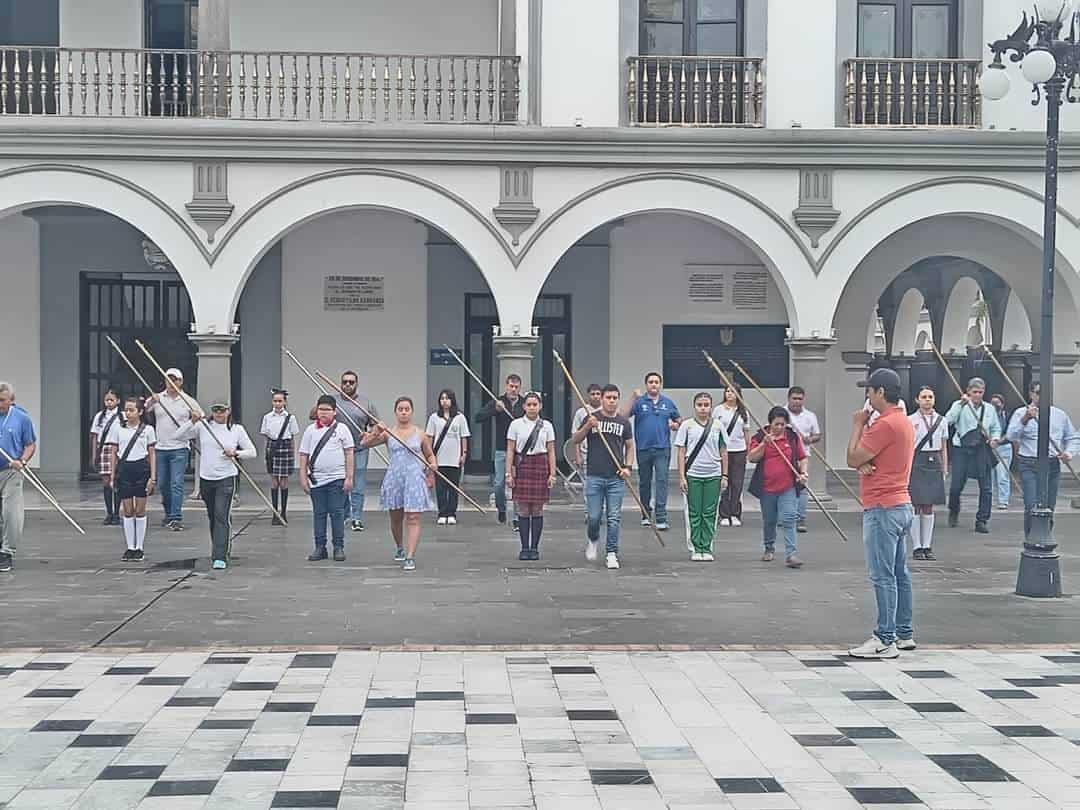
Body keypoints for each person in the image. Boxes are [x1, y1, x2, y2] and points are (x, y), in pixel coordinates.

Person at [847, 367, 916, 659]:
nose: (867, 395)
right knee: (899, 572)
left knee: (882, 574)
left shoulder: (884, 424)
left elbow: (851, 457)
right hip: (901, 503)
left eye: (870, 390)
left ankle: (884, 637)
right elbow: (869, 460)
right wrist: (865, 463)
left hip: (882, 506)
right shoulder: (904, 421)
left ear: (881, 393)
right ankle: (904, 632)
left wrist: (858, 425)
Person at [179, 402, 257, 570]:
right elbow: (179, 436)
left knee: (221, 516)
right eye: (216, 410)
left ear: (228, 412)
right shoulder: (203, 426)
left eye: (222, 410)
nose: (219, 413)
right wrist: (191, 421)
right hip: (206, 479)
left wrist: (236, 453)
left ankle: (219, 555)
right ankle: (219, 546)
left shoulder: (236, 429)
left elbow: (252, 451)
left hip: (226, 478)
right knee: (213, 516)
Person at [365, 396, 437, 571]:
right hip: (395, 478)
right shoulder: (388, 433)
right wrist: (375, 430)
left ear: (411, 412)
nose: (404, 412)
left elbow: (429, 455)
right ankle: (400, 547)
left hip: (414, 478)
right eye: (400, 409)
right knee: (396, 518)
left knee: (413, 517)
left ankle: (410, 556)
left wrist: (433, 465)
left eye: (407, 409)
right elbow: (364, 444)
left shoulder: (420, 434)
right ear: (395, 412)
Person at [1006, 380, 1079, 539]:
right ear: (1031, 394)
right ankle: (1031, 538)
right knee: (1031, 505)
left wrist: (1069, 453)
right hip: (1029, 464)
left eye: (1045, 393)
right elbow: (1011, 436)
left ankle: (1045, 536)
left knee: (1049, 506)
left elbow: (1073, 437)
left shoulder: (1059, 415)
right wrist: (1025, 419)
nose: (1042, 397)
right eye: (1038, 393)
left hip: (1052, 464)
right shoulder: (1020, 413)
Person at [573, 384, 634, 570]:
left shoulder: (624, 422)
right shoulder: (592, 418)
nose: (612, 401)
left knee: (614, 517)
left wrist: (628, 467)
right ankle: (593, 539)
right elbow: (575, 439)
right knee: (594, 517)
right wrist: (587, 428)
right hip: (594, 476)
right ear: (602, 399)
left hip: (616, 477)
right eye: (608, 398)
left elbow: (630, 446)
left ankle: (611, 552)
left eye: (615, 398)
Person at [747, 406, 808, 568]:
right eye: (776, 424)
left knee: (789, 518)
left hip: (787, 486)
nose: (780, 428)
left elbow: (802, 457)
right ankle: (769, 547)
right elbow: (751, 458)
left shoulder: (792, 436)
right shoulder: (761, 436)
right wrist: (763, 444)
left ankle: (791, 554)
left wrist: (803, 473)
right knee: (770, 520)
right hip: (767, 487)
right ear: (770, 423)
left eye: (782, 424)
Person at [299, 395, 355, 563]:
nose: (323, 413)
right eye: (320, 409)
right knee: (319, 514)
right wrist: (302, 477)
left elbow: (349, 453)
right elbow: (303, 455)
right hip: (317, 479)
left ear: (335, 412)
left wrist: (349, 477)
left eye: (327, 410)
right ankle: (320, 547)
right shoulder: (310, 430)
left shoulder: (342, 429)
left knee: (337, 513)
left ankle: (338, 547)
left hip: (337, 478)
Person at [623, 372, 681, 530]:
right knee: (644, 483)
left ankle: (661, 517)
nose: (653, 384)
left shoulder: (667, 402)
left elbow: (679, 420)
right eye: (650, 382)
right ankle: (646, 514)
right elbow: (623, 416)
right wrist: (632, 398)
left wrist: (676, 425)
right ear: (646, 384)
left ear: (660, 384)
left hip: (662, 448)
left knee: (662, 481)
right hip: (643, 448)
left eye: (656, 382)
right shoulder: (639, 402)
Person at [944, 377, 1002, 534]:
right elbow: (947, 421)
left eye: (980, 392)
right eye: (974, 392)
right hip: (962, 449)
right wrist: (961, 404)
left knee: (986, 487)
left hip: (982, 448)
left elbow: (996, 427)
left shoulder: (989, 408)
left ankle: (982, 520)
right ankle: (954, 510)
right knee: (956, 485)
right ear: (968, 391)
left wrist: (995, 439)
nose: (977, 395)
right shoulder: (959, 405)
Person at [676, 392, 728, 562]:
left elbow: (723, 451)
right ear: (694, 406)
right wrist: (682, 476)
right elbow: (681, 451)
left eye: (706, 405)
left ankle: (707, 546)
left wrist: (724, 475)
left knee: (709, 513)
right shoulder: (687, 425)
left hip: (713, 474)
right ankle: (695, 547)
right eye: (700, 405)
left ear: (711, 406)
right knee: (693, 512)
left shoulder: (718, 426)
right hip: (693, 474)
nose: (703, 408)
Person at [506, 392, 558, 561]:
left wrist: (552, 473)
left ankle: (534, 547)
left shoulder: (547, 426)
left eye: (535, 404)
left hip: (540, 464)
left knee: (537, 508)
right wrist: (509, 472)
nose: (532, 407)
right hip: (523, 464)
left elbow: (551, 451)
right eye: (529, 404)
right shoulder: (515, 425)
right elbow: (510, 450)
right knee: (523, 508)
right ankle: (524, 547)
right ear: (524, 406)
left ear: (540, 406)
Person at [104, 397, 157, 562]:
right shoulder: (118, 430)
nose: (128, 413)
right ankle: (130, 547)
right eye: (126, 410)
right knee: (127, 510)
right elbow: (113, 453)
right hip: (124, 470)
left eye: (132, 410)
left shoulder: (148, 430)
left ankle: (139, 547)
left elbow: (152, 454)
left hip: (141, 469)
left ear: (140, 412)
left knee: (140, 510)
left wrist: (153, 478)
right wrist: (112, 476)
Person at [146, 368, 197, 532]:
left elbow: (200, 416)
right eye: (168, 379)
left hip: (179, 448)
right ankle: (168, 514)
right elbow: (143, 410)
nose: (171, 382)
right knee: (163, 484)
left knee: (176, 483)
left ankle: (176, 517)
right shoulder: (158, 398)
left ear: (180, 382)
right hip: (161, 447)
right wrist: (151, 402)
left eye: (174, 380)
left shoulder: (187, 400)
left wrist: (192, 421)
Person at [475, 374, 525, 527]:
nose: (513, 389)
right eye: (511, 386)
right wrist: (495, 410)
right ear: (506, 386)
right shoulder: (498, 401)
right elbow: (478, 417)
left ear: (520, 388)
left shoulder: (524, 403)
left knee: (517, 484)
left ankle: (517, 517)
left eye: (516, 387)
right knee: (499, 484)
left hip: (520, 450)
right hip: (501, 449)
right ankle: (501, 509)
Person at [333, 371, 378, 533]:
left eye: (351, 382)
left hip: (359, 449)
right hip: (338, 450)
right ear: (340, 383)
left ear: (356, 384)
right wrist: (322, 407)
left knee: (357, 485)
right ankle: (345, 514)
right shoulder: (334, 401)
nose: (347, 385)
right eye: (345, 382)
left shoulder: (365, 403)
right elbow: (316, 416)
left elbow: (376, 425)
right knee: (342, 484)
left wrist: (370, 435)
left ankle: (356, 518)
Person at [907, 386, 948, 561]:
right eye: (923, 397)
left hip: (933, 459)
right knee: (916, 504)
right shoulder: (910, 420)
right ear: (917, 400)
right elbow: (908, 446)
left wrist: (944, 467)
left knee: (929, 505)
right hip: (917, 460)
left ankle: (927, 545)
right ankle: (917, 546)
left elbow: (944, 447)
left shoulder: (942, 420)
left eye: (930, 396)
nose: (927, 400)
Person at [0, 381, 37, 573]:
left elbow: (30, 444)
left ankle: (7, 551)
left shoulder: (21, 418)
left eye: (2, 400)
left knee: (10, 512)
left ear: (11, 400)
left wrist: (22, 461)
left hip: (11, 471)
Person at [425, 389, 471, 525]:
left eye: (447, 398)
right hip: (439, 458)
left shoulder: (460, 417)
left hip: (454, 459)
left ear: (452, 400)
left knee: (453, 487)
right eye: (442, 398)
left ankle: (451, 512)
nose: (444, 400)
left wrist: (464, 454)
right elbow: (429, 437)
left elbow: (464, 437)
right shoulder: (434, 417)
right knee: (440, 488)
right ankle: (442, 512)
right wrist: (429, 456)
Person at [260, 388, 300, 526]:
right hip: (272, 448)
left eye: (280, 401)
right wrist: (266, 453)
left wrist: (293, 454)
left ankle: (283, 512)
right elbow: (265, 436)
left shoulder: (290, 418)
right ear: (272, 402)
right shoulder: (267, 417)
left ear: (285, 402)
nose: (277, 404)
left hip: (285, 447)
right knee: (274, 481)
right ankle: (274, 513)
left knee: (283, 481)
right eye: (275, 401)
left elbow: (293, 437)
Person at [713, 382, 750, 527]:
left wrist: (749, 451)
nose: (729, 394)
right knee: (724, 482)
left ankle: (735, 513)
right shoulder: (718, 410)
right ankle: (724, 514)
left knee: (737, 483)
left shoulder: (743, 412)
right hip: (723, 451)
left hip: (739, 451)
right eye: (727, 391)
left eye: (733, 391)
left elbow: (747, 433)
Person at [785, 386, 821, 534]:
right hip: (784, 454)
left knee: (802, 486)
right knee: (785, 487)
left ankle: (800, 518)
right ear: (789, 398)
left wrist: (809, 439)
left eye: (800, 399)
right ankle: (786, 517)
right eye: (794, 398)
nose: (797, 401)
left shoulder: (810, 416)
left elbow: (817, 435)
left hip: (803, 455)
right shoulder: (782, 413)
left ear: (803, 399)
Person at [89, 388, 122, 525]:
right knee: (106, 482)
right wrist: (94, 454)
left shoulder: (122, 416)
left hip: (118, 448)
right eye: (107, 400)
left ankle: (117, 513)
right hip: (103, 448)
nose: (109, 403)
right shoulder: (99, 416)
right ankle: (109, 512)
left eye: (111, 400)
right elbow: (95, 436)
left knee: (117, 481)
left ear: (118, 401)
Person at [990, 393, 1013, 510]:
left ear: (1002, 405)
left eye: (997, 403)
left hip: (1004, 448)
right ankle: (991, 499)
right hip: (990, 448)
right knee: (990, 476)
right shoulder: (987, 416)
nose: (995, 405)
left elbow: (1011, 433)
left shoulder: (1008, 416)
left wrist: (999, 441)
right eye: (992, 403)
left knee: (1002, 475)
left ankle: (1003, 500)